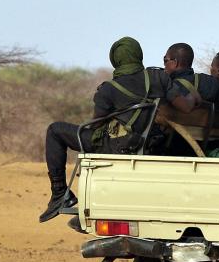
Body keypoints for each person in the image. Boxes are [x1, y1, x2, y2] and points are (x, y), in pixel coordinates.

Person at [39, 37, 171, 223]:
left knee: (55, 130)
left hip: (116, 145)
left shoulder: (109, 89)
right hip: (150, 143)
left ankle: (60, 192)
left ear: (116, 59)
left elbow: (95, 125)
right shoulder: (158, 78)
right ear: (138, 54)